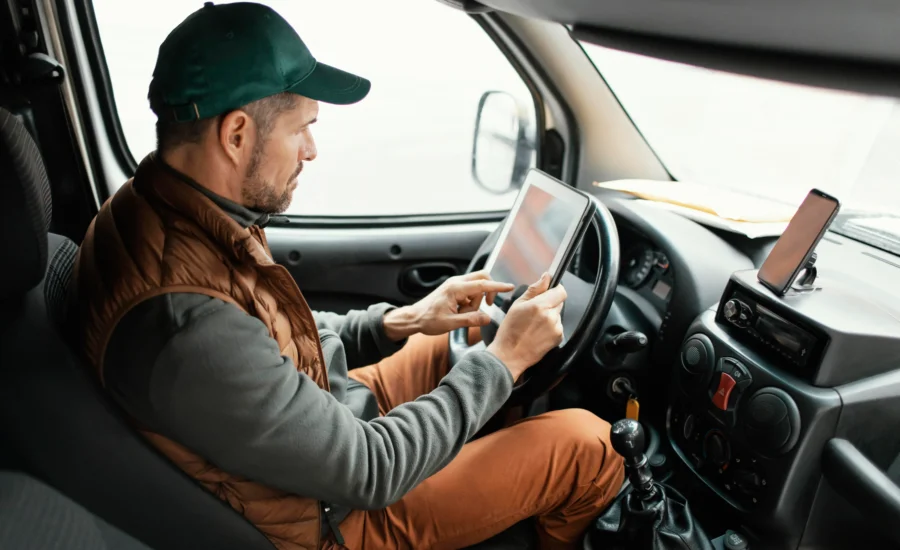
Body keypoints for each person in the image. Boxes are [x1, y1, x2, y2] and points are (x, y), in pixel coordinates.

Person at [69, 2, 624, 549]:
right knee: (591, 447)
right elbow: (371, 470)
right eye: (302, 129)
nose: (312, 150)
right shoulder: (185, 322)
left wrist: (402, 321)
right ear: (236, 135)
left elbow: (274, 335)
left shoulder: (165, 211)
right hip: (334, 518)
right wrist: (505, 362)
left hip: (319, 429)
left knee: (460, 339)